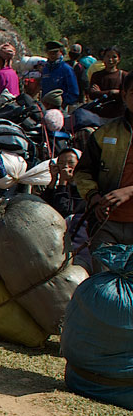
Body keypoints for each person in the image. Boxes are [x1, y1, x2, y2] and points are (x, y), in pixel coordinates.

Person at [75, 72, 133, 270]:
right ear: (124, 95)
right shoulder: (105, 133)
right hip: (106, 225)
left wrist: (129, 190)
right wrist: (93, 197)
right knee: (103, 287)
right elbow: (83, 172)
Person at [41, 148, 84, 218]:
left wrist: (63, 180)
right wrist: (53, 180)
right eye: (61, 163)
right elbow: (44, 205)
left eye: (71, 163)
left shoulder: (84, 186)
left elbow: (63, 210)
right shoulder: (63, 185)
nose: (65, 166)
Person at [89, 46, 128, 119]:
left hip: (119, 116)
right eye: (108, 56)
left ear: (119, 59)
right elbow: (92, 94)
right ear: (103, 58)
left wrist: (101, 93)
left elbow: (125, 94)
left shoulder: (124, 75)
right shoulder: (97, 75)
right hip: (99, 116)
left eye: (114, 57)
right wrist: (112, 92)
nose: (110, 60)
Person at [41, 40, 79, 107]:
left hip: (61, 106)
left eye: (55, 52)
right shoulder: (45, 69)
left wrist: (64, 103)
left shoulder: (66, 69)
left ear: (61, 52)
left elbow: (74, 91)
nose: (52, 55)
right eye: (50, 53)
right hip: (46, 105)